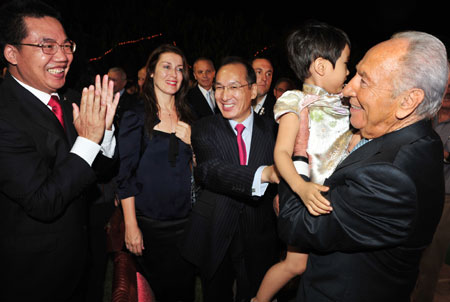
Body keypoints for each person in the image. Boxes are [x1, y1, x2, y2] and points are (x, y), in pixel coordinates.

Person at [277, 30, 448, 301]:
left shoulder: (390, 177)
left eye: (364, 81)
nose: (347, 89)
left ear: (407, 101)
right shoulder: (423, 140)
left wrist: (298, 158)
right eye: (354, 73)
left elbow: (295, 223)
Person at [0, 1, 120, 301]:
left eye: (67, 45)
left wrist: (103, 134)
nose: (64, 56)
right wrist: (89, 141)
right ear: (12, 53)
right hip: (30, 276)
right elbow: (44, 201)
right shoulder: (4, 114)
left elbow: (101, 170)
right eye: (47, 46)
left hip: (80, 262)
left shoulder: (72, 100)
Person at [252, 21, 357, 302]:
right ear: (322, 66)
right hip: (306, 192)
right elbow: (281, 153)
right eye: (346, 63)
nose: (349, 71)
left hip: (335, 196)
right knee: (295, 263)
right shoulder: (296, 100)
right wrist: (300, 188)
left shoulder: (346, 102)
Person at [180, 56, 280, 302]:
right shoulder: (204, 128)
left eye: (234, 87)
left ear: (253, 90)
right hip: (215, 228)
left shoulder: (274, 130)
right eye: (219, 87)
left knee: (254, 294)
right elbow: (209, 171)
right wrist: (263, 174)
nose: (224, 96)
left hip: (259, 232)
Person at [116, 43, 196, 302]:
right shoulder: (136, 116)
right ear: (151, 72)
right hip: (150, 224)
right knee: (154, 293)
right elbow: (125, 175)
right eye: (166, 66)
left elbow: (197, 168)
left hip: (186, 223)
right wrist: (131, 225)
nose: (174, 73)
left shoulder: (189, 116)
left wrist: (194, 145)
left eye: (180, 68)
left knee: (184, 292)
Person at [411, 70, 450, 302]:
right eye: (446, 84)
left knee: (431, 258)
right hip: (414, 192)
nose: (448, 90)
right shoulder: (424, 116)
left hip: (445, 197)